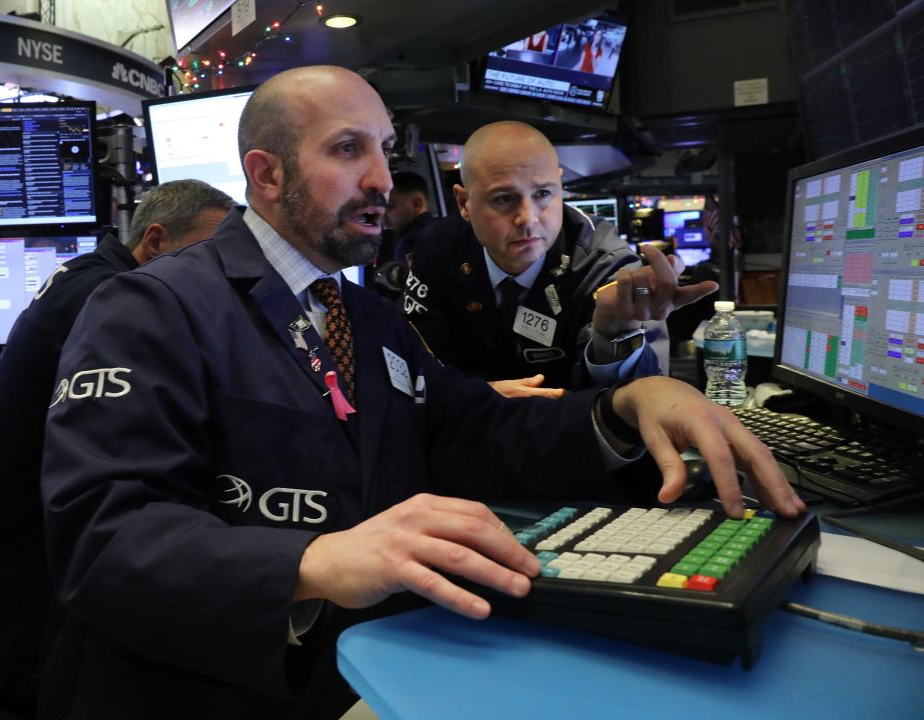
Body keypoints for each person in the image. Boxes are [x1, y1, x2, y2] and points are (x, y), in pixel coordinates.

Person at [39, 65, 803, 720]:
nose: (382, 179)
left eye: (384, 150)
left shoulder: (364, 317)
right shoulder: (153, 306)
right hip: (213, 696)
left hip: (365, 674)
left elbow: (475, 430)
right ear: (267, 173)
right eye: (347, 150)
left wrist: (621, 408)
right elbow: (104, 536)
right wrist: (310, 560)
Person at [0, 179, 234, 719]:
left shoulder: (89, 280)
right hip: (5, 607)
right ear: (157, 240)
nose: (222, 272)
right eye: (210, 253)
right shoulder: (110, 300)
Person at [403, 121, 715, 398]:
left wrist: (614, 338)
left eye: (542, 194)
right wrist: (476, 396)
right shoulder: (437, 248)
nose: (528, 219)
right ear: (464, 203)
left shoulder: (608, 266)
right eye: (504, 198)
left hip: (569, 445)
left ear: (561, 187)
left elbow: (642, 402)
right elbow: (413, 365)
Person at [385, 170, 436, 262]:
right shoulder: (437, 231)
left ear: (416, 204)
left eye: (390, 206)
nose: (384, 214)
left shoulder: (411, 242)